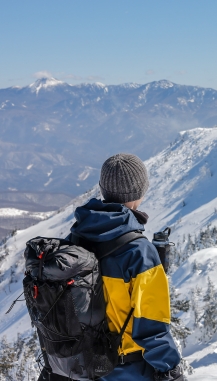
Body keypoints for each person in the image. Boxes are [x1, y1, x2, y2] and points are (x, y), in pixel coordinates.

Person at [39, 154, 183, 381]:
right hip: (126, 370)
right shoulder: (139, 252)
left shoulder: (75, 237)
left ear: (102, 189)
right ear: (141, 192)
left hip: (79, 365)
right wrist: (172, 372)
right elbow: (152, 327)